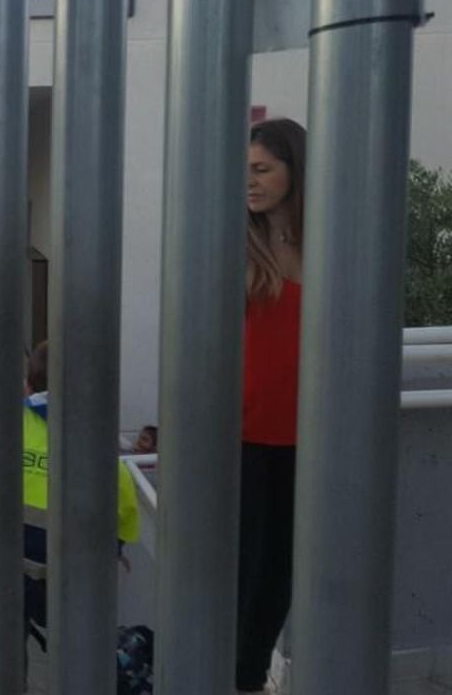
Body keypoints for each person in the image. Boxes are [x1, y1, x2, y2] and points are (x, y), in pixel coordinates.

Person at [237, 118, 306, 693]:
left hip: (307, 439)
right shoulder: (236, 244)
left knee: (282, 578)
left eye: (262, 170)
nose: (250, 182)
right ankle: (233, 677)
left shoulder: (327, 245)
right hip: (241, 438)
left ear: (294, 171)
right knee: (239, 575)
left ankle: (251, 677)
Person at [19, 341, 141, 654]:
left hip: (12, 561)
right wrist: (116, 545)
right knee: (80, 648)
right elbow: (123, 495)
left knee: (6, 644)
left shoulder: (8, 425)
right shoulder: (93, 432)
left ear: (28, 384)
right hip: (74, 567)